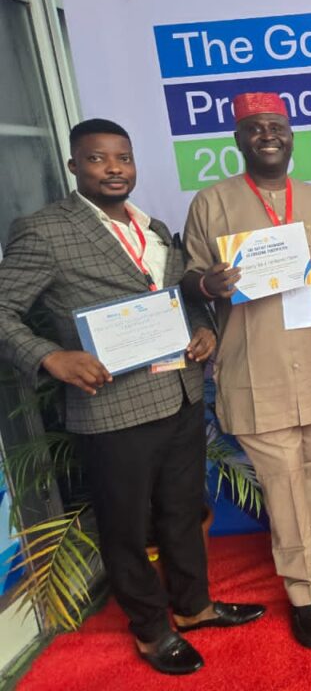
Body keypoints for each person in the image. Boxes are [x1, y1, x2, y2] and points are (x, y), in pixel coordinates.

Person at [0, 119, 264, 675]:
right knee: (125, 527)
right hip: (111, 406)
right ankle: (149, 629)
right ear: (74, 166)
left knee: (182, 511)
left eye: (123, 157)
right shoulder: (44, 231)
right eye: (98, 159)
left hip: (179, 394)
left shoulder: (154, 228)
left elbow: (178, 296)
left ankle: (193, 607)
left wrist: (203, 328)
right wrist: (51, 357)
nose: (114, 168)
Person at [182, 93, 311, 650]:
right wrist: (207, 284)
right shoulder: (211, 203)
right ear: (238, 139)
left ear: (290, 136)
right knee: (282, 483)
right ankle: (303, 591)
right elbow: (187, 278)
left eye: (277, 126)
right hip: (255, 367)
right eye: (255, 127)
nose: (268, 135)